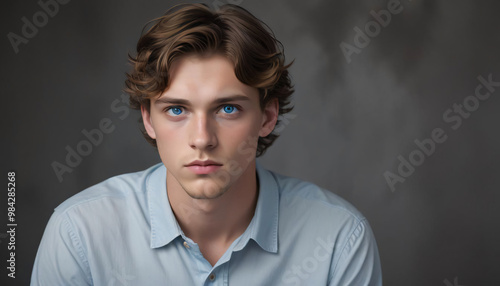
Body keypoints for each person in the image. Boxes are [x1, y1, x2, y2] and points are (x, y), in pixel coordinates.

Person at [31, 3, 382, 285]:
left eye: (228, 109)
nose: (202, 138)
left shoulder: (338, 239)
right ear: (149, 119)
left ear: (267, 117)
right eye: (177, 109)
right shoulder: (79, 233)